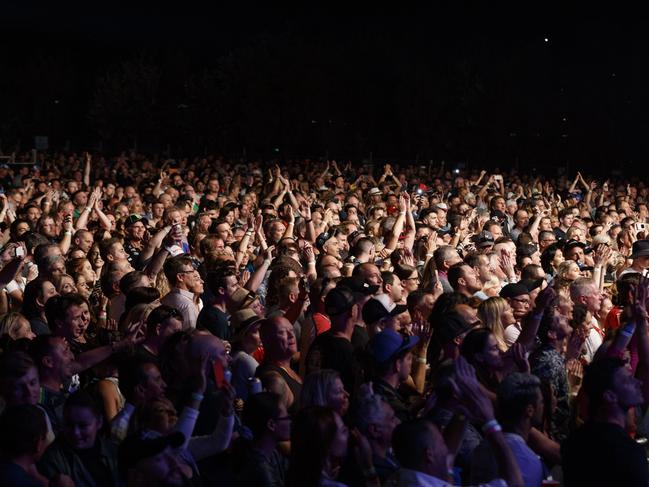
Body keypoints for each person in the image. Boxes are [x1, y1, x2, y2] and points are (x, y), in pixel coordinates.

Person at [388, 357, 523, 487]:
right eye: (441, 442)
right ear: (429, 455)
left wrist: (463, 409)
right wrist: (490, 420)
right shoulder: (444, 424)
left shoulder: (399, 478)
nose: (446, 446)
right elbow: (514, 483)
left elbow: (448, 463)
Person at [562, 358, 648, 487]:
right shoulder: (630, 453)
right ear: (610, 396)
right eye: (628, 380)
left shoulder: (574, 441)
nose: (638, 382)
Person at [470, 373, 547, 487]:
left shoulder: (481, 449)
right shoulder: (528, 461)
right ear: (530, 410)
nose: (543, 406)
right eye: (542, 402)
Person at [38, 391, 121, 486]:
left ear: (99, 422)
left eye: (83, 426)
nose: (75, 433)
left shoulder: (113, 452)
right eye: (69, 425)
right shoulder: (53, 459)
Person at [238, 392, 291, 487]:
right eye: (286, 417)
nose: (289, 421)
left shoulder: (272, 453)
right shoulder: (260, 470)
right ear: (271, 425)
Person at [161, 256, 204, 329]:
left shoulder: (165, 298)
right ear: (180, 277)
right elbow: (190, 336)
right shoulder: (187, 306)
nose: (194, 275)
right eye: (191, 272)